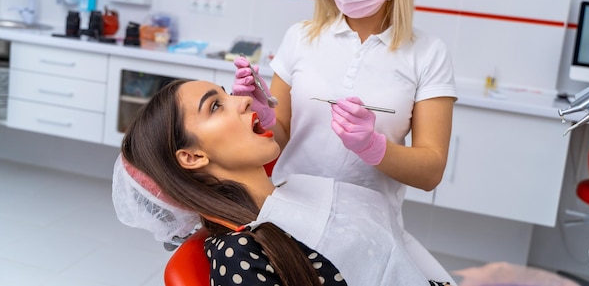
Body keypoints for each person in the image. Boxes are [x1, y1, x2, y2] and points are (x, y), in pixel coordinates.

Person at [232, 0, 457, 282]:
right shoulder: (301, 38)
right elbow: (281, 136)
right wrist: (264, 117)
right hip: (288, 217)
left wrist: (374, 148)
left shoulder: (427, 53)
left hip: (368, 232)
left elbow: (431, 170)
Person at [112, 79, 453, 286]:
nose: (243, 98)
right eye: (216, 106)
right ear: (192, 157)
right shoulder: (238, 254)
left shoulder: (303, 187)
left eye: (225, 93)